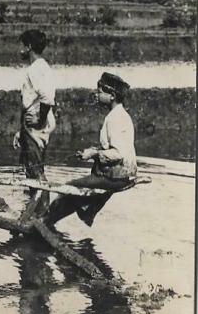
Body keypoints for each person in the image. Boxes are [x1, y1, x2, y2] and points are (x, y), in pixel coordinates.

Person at [44, 73, 137, 227]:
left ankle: (47, 222)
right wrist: (92, 151)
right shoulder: (119, 115)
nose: (97, 95)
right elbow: (111, 148)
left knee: (68, 188)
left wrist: (93, 154)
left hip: (116, 177)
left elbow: (118, 154)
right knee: (75, 193)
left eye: (100, 92)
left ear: (112, 95)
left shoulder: (115, 118)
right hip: (120, 173)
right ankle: (64, 217)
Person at [12, 29, 56, 200]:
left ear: (29, 47)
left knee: (34, 169)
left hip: (35, 124)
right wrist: (20, 131)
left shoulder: (34, 69)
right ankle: (35, 207)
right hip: (34, 123)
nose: (19, 50)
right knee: (33, 167)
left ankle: (42, 209)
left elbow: (47, 96)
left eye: (22, 46)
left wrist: (39, 120)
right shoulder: (42, 67)